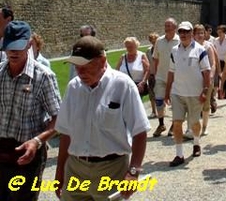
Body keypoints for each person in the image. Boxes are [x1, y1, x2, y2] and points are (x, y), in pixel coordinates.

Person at [55, 36, 150, 200]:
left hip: (111, 169)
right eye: (76, 66)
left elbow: (139, 130)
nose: (80, 72)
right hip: (75, 169)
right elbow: (66, 133)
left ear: (102, 60)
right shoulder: (74, 87)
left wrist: (133, 171)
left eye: (85, 65)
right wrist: (60, 171)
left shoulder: (123, 85)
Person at [0, 20, 61, 201]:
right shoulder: (0, 72)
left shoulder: (43, 76)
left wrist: (37, 141)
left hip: (27, 153)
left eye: (18, 47)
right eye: (9, 46)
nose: (13, 52)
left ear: (28, 44)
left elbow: (59, 118)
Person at [164, 21, 211, 167]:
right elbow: (171, 72)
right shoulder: (174, 51)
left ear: (191, 33)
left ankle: (196, 142)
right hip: (178, 93)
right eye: (181, 32)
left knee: (194, 123)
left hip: (195, 93)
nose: (183, 34)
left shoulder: (200, 49)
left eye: (186, 32)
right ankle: (179, 154)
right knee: (177, 122)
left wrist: (205, 91)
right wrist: (167, 92)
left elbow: (207, 72)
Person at [152, 18, 179, 137]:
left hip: (176, 78)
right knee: (159, 101)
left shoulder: (179, 41)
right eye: (165, 25)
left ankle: (174, 124)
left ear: (175, 28)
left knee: (175, 103)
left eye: (169, 26)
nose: (167, 28)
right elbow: (156, 58)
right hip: (161, 76)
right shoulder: (159, 41)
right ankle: (161, 123)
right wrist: (155, 73)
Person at [193, 23, 217, 136]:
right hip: (194, 79)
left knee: (206, 104)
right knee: (194, 103)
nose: (200, 35)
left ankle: (204, 127)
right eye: (197, 33)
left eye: (201, 33)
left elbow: (213, 63)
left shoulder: (208, 46)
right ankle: (194, 127)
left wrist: (211, 77)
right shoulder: (190, 46)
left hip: (206, 79)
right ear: (193, 35)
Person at [213, 24, 226, 99]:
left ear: (224, 32)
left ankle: (225, 93)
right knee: (218, 76)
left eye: (220, 32)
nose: (218, 33)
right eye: (218, 32)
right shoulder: (215, 40)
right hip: (218, 60)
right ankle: (219, 93)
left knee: (225, 77)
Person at [146, 32, 159, 118]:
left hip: (160, 74)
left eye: (155, 41)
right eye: (152, 41)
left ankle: (161, 109)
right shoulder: (148, 51)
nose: (153, 42)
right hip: (152, 74)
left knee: (160, 93)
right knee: (151, 93)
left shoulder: (161, 49)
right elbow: (148, 63)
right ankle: (154, 111)